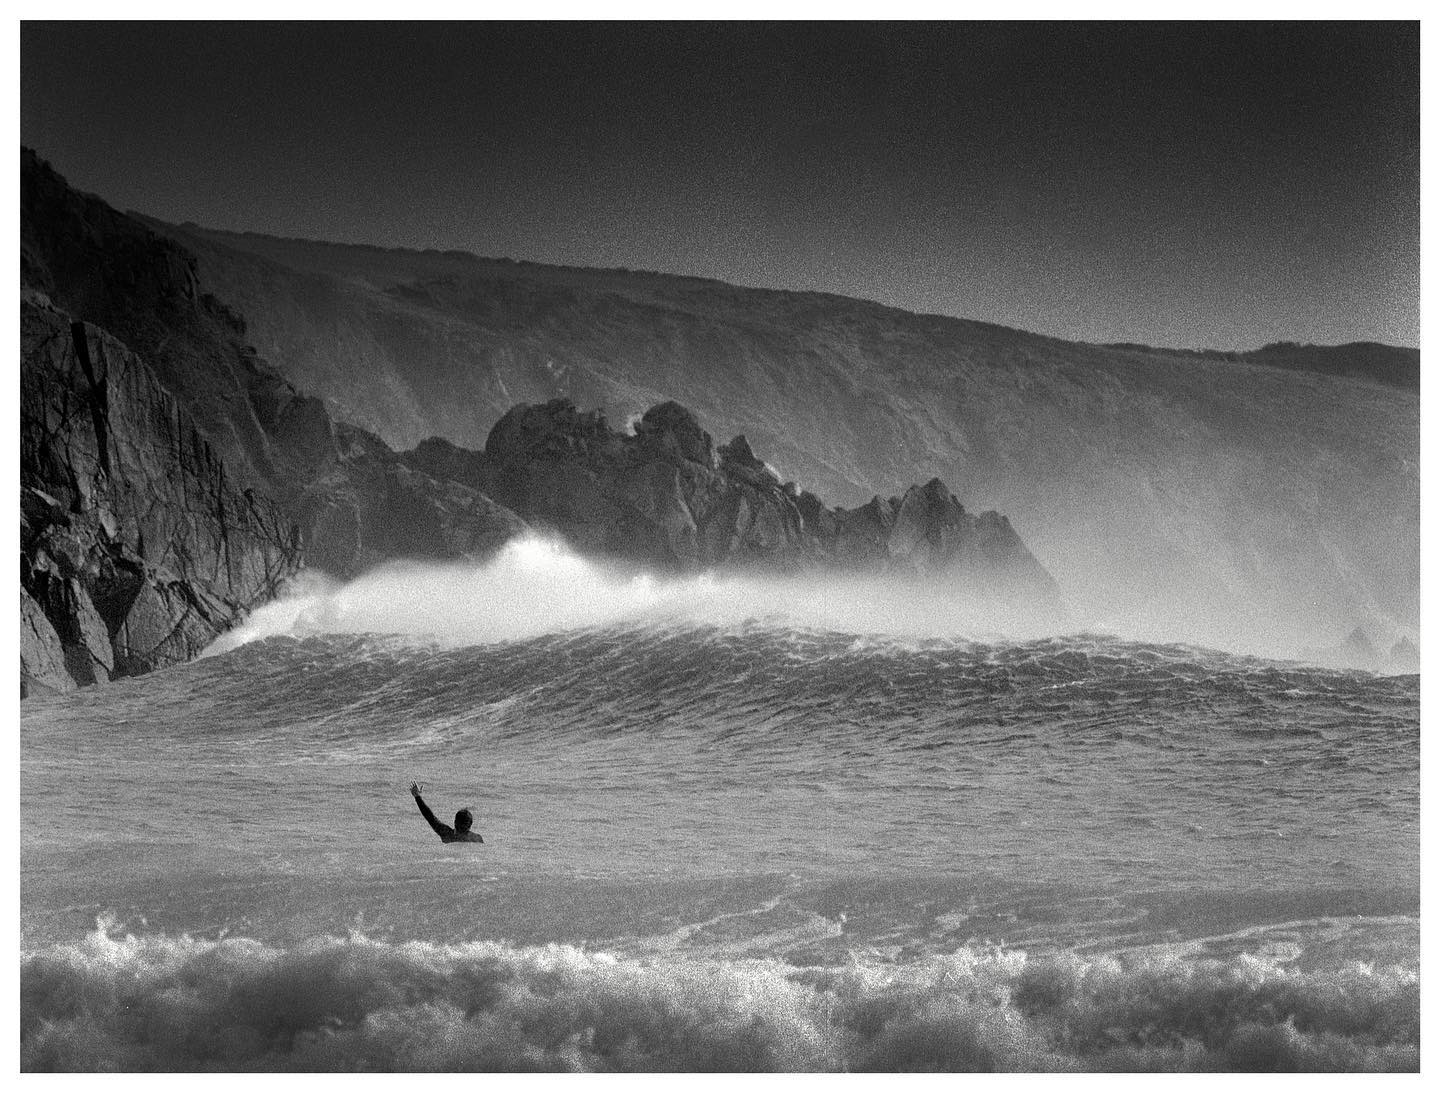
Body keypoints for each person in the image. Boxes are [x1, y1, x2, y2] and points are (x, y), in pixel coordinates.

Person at [410, 783, 484, 843]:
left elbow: (430, 817)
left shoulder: (447, 834)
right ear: (471, 824)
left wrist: (417, 797)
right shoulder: (477, 839)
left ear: (455, 822)